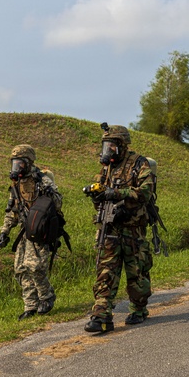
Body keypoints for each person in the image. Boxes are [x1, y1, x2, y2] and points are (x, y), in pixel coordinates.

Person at [82, 124, 154, 333]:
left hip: (133, 230)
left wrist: (116, 193)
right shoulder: (106, 169)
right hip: (110, 228)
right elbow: (102, 196)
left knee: (137, 273)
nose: (108, 150)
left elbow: (145, 193)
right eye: (106, 146)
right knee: (105, 273)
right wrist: (98, 196)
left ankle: (139, 309)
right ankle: (101, 315)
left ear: (122, 145)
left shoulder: (139, 164)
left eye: (112, 146)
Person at [0, 144, 62, 320]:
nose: (17, 168)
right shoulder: (17, 184)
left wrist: (50, 194)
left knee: (35, 267)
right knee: (20, 269)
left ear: (28, 163)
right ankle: (30, 305)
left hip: (40, 231)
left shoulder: (42, 181)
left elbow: (57, 204)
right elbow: (12, 211)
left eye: (20, 164)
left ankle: (46, 297)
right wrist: (5, 232)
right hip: (24, 230)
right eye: (14, 163)